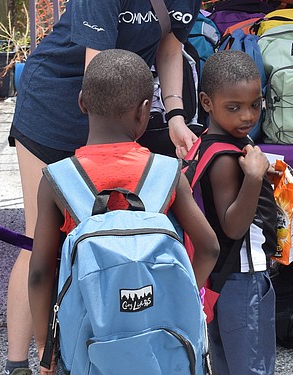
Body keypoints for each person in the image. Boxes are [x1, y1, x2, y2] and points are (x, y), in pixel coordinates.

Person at [3, 0, 237, 375]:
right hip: (61, 102)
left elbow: (170, 43)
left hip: (121, 105)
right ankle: (22, 361)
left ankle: (113, 342)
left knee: (117, 231)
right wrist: (111, 158)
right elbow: (97, 75)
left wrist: (174, 113)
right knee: (39, 236)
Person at [27, 49, 220, 374]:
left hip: (89, 339)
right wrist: (176, 298)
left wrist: (45, 346)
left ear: (82, 103)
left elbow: (39, 272)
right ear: (146, 111)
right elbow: (209, 247)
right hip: (162, 339)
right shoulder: (167, 173)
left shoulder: (58, 179)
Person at [195, 50, 278, 375]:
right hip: (243, 276)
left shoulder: (205, 144)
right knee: (252, 366)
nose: (248, 116)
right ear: (207, 102)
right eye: (234, 107)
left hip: (219, 275)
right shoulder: (228, 159)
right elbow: (233, 225)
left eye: (255, 104)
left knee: (228, 364)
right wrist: (255, 178)